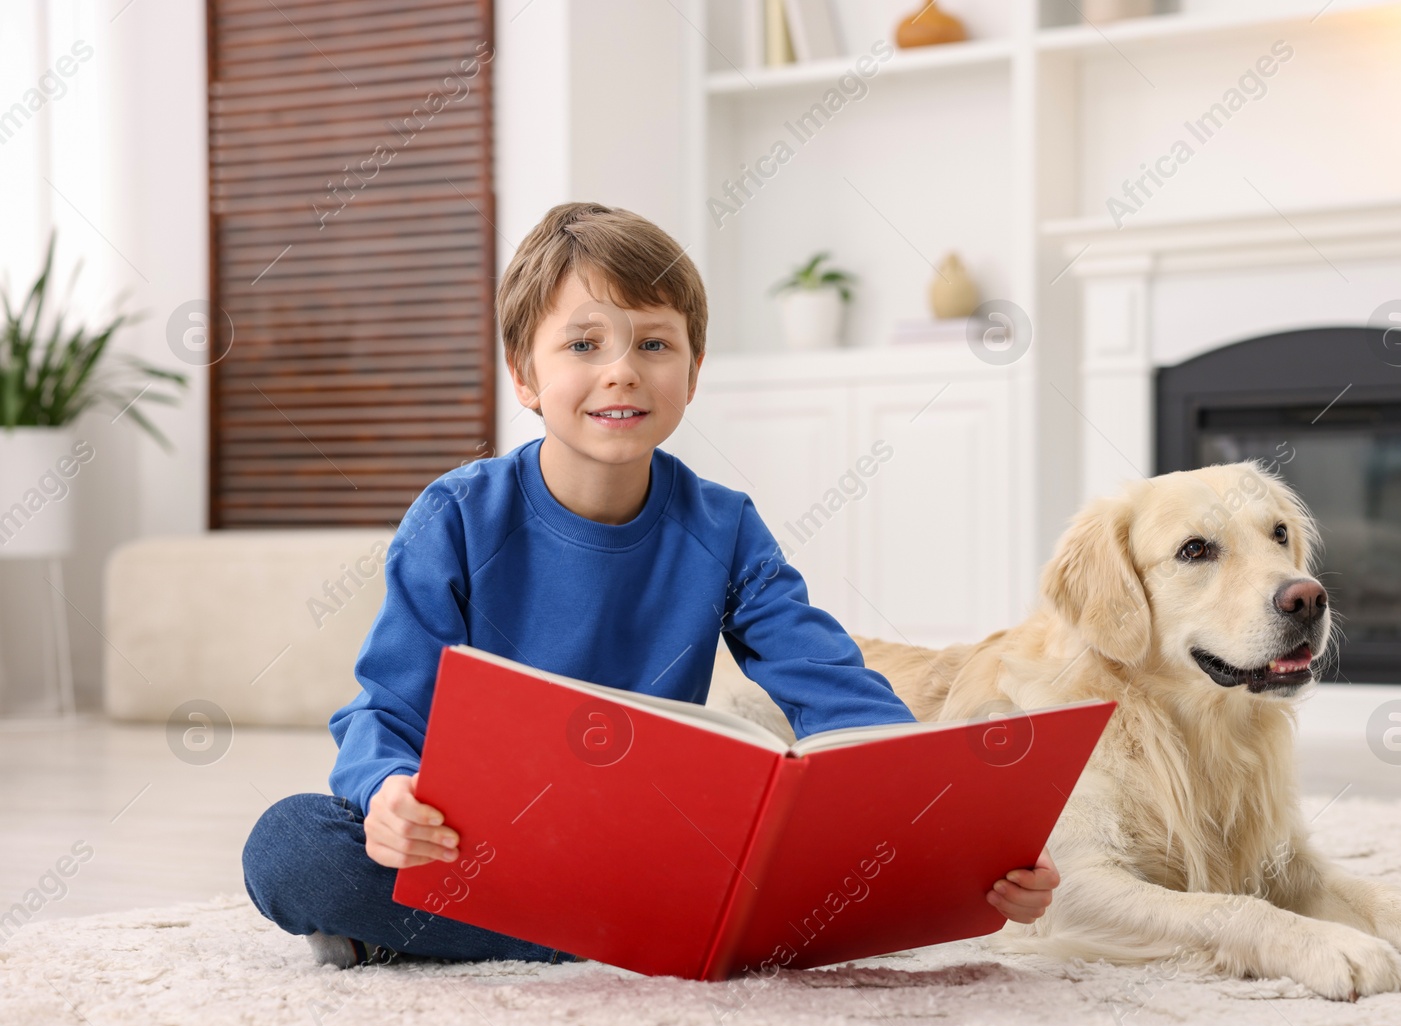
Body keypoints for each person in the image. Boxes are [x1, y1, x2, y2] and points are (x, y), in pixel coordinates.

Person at [242, 202, 1059, 969]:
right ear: (524, 374)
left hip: (650, 852)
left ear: (693, 373)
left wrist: (960, 838)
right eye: (584, 344)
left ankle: (480, 938)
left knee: (798, 855)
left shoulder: (724, 526)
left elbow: (838, 694)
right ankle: (629, 942)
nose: (622, 372)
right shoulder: (456, 515)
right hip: (480, 845)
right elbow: (385, 709)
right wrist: (388, 793)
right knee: (290, 846)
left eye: (654, 345)